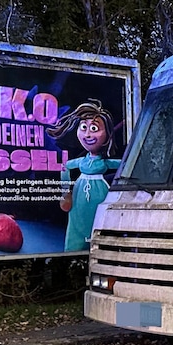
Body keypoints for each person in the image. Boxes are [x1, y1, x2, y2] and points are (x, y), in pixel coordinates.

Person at [47, 99, 120, 252]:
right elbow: (65, 167)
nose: (88, 134)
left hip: (101, 194)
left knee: (100, 222)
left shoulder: (105, 162)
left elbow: (123, 164)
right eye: (83, 128)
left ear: (107, 134)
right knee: (76, 227)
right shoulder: (81, 162)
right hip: (79, 195)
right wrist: (65, 192)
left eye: (94, 128)